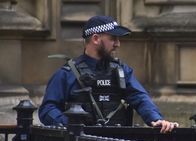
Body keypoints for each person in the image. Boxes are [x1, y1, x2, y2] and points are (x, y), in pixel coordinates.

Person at [38, 15, 178, 133]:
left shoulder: (122, 71)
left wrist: (155, 119)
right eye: (113, 38)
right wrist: (71, 126)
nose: (118, 44)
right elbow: (47, 109)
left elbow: (140, 97)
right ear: (96, 39)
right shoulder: (67, 74)